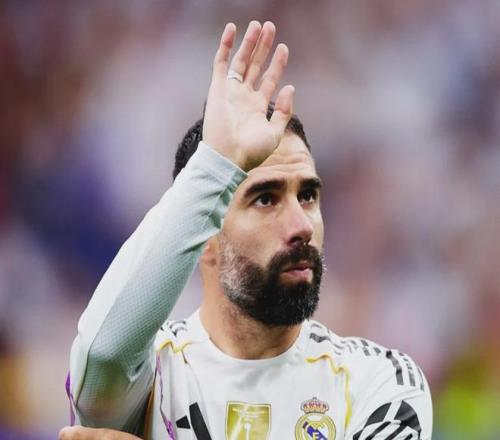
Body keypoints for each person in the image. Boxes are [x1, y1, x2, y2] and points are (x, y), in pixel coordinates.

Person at [61, 21, 432, 440]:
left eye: (307, 196)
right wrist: (214, 166)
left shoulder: (379, 383)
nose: (301, 225)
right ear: (204, 233)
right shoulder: (156, 376)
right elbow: (103, 354)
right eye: (266, 199)